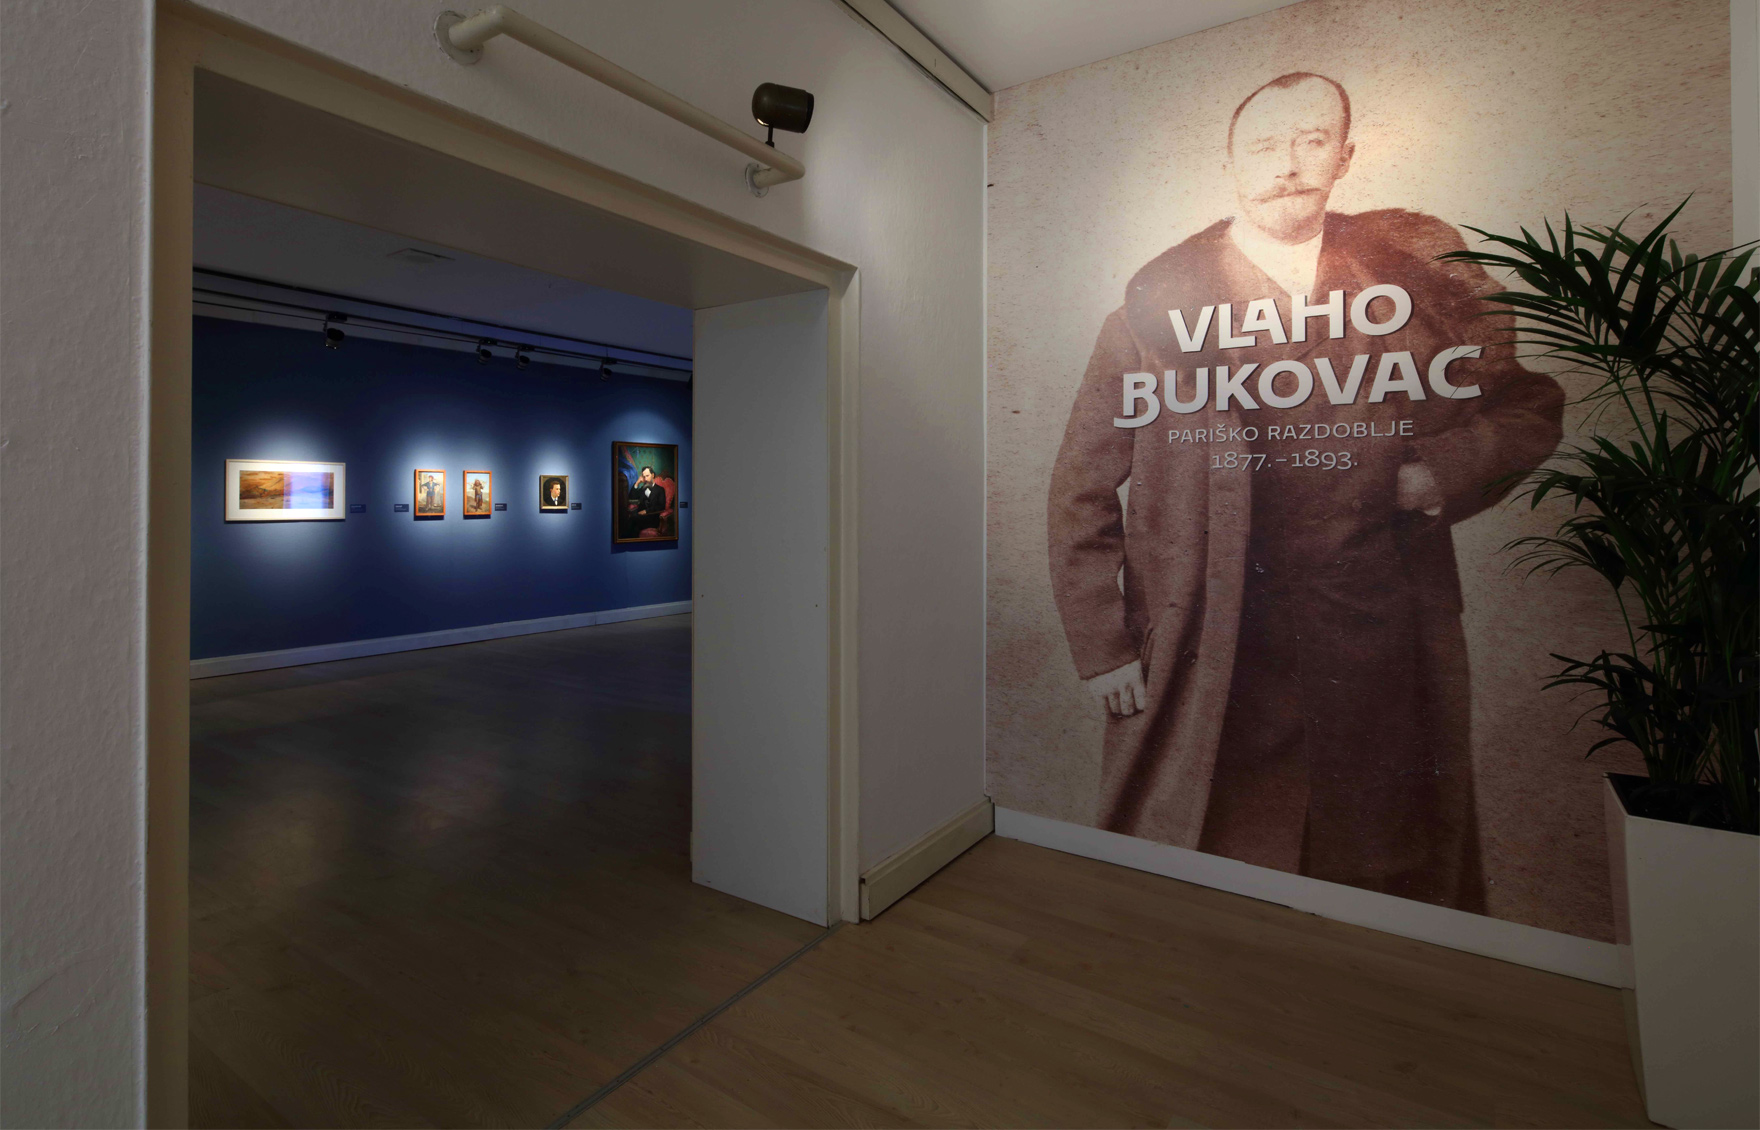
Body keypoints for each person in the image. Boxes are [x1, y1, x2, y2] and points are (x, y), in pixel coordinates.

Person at [1046, 72, 1564, 911]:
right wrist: (1103, 647)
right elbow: (1080, 492)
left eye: (1311, 141)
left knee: (1382, 862)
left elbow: (1528, 408)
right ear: (1229, 163)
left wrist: (1442, 470)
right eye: (1264, 145)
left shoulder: (1418, 290)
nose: (1287, 164)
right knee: (1215, 861)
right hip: (1215, 639)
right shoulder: (1148, 315)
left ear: (1345, 157)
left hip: (1377, 631)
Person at [626, 466, 667, 535]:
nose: (645, 479)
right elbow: (632, 497)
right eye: (644, 476)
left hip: (652, 518)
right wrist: (637, 483)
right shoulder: (643, 488)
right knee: (630, 522)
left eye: (647, 476)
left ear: (652, 475)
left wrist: (646, 511)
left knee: (633, 521)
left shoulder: (660, 490)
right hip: (640, 516)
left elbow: (661, 506)